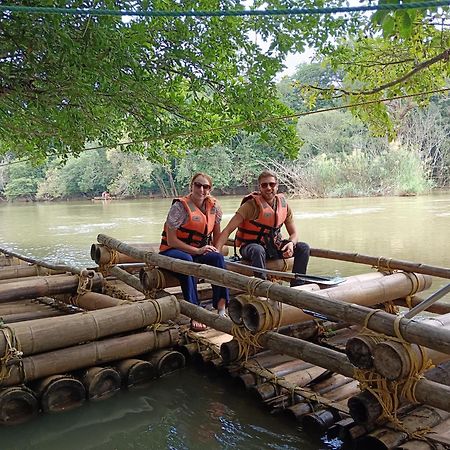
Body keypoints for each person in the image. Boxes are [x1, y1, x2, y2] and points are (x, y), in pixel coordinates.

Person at [159, 173, 229, 331]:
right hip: (173, 250)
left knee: (217, 258)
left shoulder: (214, 207)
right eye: (198, 185)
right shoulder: (179, 207)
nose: (201, 189)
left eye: (206, 186)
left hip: (198, 252)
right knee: (187, 261)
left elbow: (217, 237)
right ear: (191, 186)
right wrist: (198, 250)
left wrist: (213, 253)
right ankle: (195, 312)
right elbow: (171, 240)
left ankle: (221, 306)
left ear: (210, 189)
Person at [216, 170, 309, 287]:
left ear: (277, 186)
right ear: (260, 187)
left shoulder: (284, 205)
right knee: (257, 249)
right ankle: (262, 286)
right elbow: (227, 230)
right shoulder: (250, 206)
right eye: (264, 185)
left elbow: (294, 233)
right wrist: (217, 253)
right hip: (250, 248)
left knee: (303, 247)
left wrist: (291, 243)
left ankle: (298, 285)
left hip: (273, 247)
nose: (268, 188)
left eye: (272, 184)